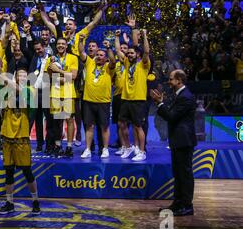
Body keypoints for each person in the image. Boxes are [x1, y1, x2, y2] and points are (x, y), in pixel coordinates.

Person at [150, 70, 197, 216]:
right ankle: (177, 204)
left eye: (171, 79)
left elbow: (171, 117)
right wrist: (161, 104)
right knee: (178, 174)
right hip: (178, 140)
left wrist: (160, 104)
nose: (169, 82)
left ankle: (187, 206)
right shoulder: (180, 95)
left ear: (179, 80)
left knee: (185, 174)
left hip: (184, 141)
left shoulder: (186, 97)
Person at [0, 68, 40, 215]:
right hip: (8, 138)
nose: (21, 77)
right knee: (8, 172)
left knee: (27, 171)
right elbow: (2, 79)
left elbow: (19, 90)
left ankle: (35, 201)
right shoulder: (5, 93)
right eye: (18, 75)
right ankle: (9, 203)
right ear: (14, 77)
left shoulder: (29, 92)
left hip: (21, 139)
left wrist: (7, 78)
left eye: (23, 75)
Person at [115, 29, 151, 161]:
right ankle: (128, 146)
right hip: (125, 98)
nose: (129, 55)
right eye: (128, 53)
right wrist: (117, 37)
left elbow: (146, 51)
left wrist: (145, 35)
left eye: (132, 53)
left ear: (137, 55)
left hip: (138, 100)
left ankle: (141, 151)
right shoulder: (126, 63)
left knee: (137, 126)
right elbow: (118, 50)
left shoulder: (143, 65)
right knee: (121, 123)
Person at [79, 37, 116, 159]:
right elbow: (81, 52)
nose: (99, 56)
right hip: (89, 101)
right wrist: (80, 41)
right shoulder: (90, 63)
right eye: (98, 55)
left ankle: (105, 149)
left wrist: (108, 48)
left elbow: (113, 60)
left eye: (102, 55)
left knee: (104, 127)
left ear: (105, 58)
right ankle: (88, 149)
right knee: (89, 126)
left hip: (103, 102)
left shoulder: (108, 67)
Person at [45, 37, 78, 157]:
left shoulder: (73, 58)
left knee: (69, 120)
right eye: (59, 44)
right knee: (57, 121)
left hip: (69, 94)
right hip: (55, 93)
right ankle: (58, 145)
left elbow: (73, 76)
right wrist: (53, 68)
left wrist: (58, 71)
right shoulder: (51, 59)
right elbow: (48, 76)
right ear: (56, 45)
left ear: (66, 45)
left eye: (63, 44)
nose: (61, 46)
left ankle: (69, 146)